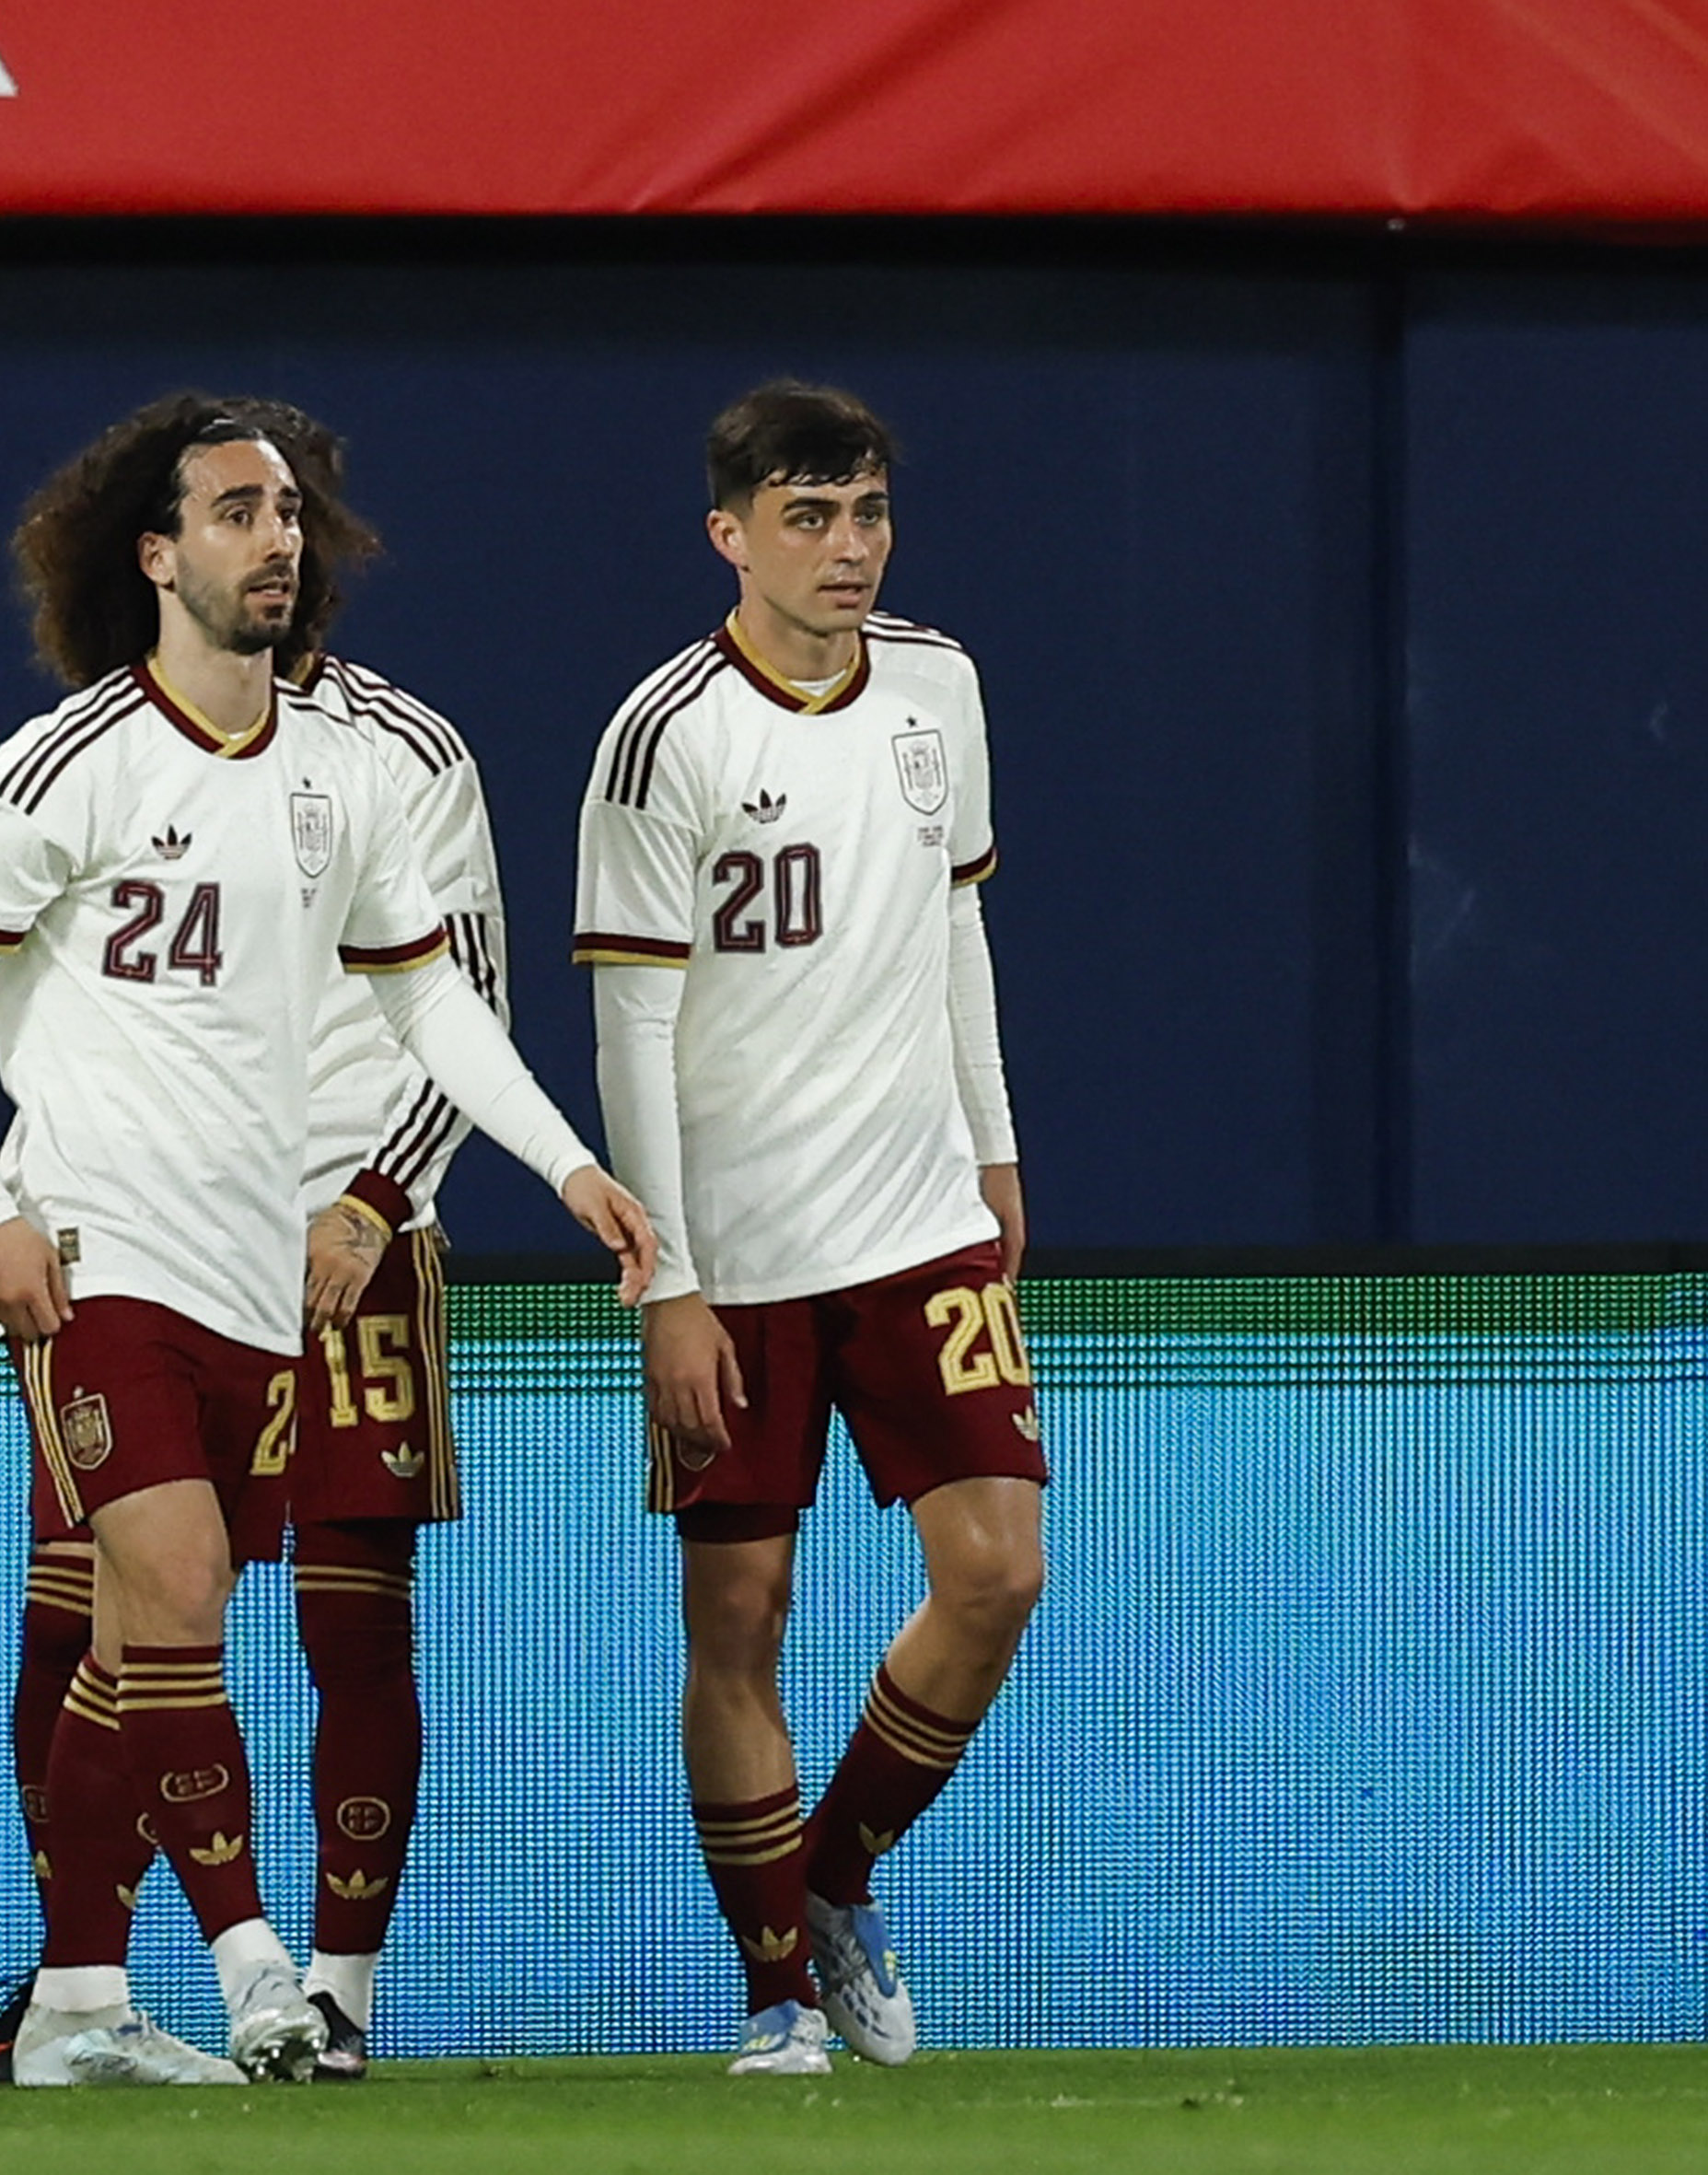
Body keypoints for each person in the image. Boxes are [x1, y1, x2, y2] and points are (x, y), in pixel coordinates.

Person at [0, 392, 656, 2088]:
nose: (273, 537)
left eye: (286, 510)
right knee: (174, 1600)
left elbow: (429, 999)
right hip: (97, 1255)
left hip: (256, 1277)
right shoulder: (71, 759)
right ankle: (258, 1979)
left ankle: (78, 2003)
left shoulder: (337, 773)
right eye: (234, 511)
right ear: (156, 555)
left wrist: (563, 1163)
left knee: (130, 1647)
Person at [575, 380, 1042, 2076]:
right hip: (738, 1254)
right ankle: (773, 1994)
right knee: (740, 1614)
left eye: (866, 513)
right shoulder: (662, 737)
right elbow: (629, 1025)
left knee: (996, 1571)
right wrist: (669, 1280)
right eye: (807, 518)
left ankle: (829, 1873)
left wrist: (992, 1147)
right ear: (729, 535)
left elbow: (954, 924)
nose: (847, 549)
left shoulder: (937, 685)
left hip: (917, 1220)